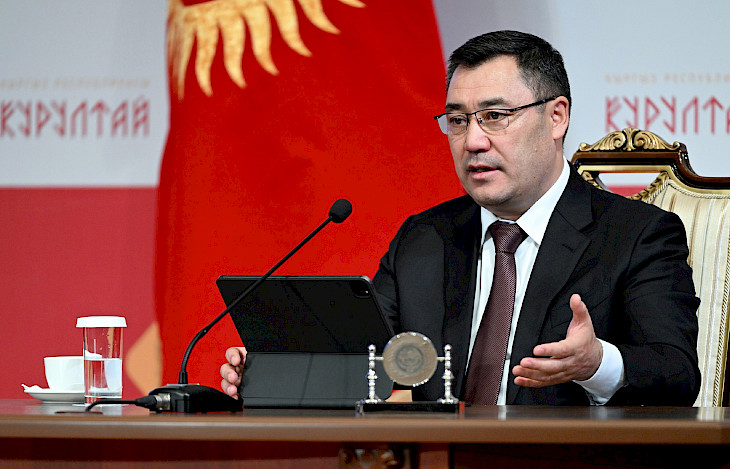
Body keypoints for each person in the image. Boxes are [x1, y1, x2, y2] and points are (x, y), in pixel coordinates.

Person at [221, 30, 700, 406]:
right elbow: (369, 360)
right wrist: (276, 371)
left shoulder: (636, 235)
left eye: (495, 116)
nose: (472, 141)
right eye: (457, 120)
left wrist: (596, 363)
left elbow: (677, 372)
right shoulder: (425, 237)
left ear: (556, 117)